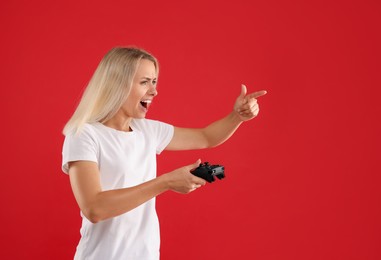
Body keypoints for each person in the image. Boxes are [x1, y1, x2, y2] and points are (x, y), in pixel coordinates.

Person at [61, 46, 267, 260]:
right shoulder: (84, 134)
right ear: (117, 83)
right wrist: (166, 182)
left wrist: (237, 116)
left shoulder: (147, 130)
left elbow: (207, 137)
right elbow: (95, 208)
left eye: (154, 81)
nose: (154, 91)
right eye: (144, 82)